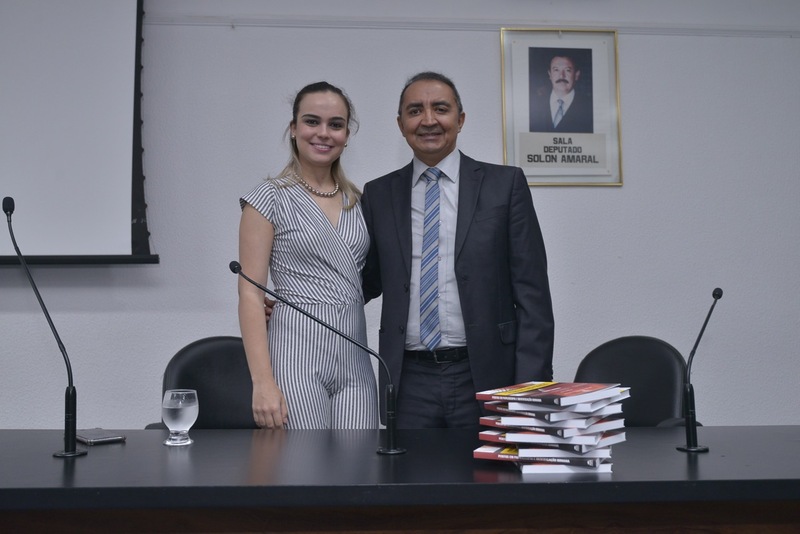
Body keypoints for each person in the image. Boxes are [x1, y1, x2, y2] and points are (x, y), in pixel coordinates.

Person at [361, 71, 554, 429]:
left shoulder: (505, 185)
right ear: (401, 124)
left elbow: (533, 295)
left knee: (489, 467)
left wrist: (530, 387)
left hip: (487, 376)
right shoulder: (378, 194)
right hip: (408, 380)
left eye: (441, 108)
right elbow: (367, 280)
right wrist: (299, 298)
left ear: (460, 119)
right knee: (409, 467)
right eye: (415, 111)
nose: (428, 120)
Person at [237, 81, 378, 430]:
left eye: (335, 124)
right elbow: (250, 294)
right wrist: (262, 383)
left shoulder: (360, 202)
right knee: (304, 461)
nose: (323, 133)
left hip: (356, 359)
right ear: (293, 128)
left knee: (361, 461)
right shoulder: (268, 198)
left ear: (347, 135)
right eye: (312, 121)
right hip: (296, 357)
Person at [529, 53, 593, 133]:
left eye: (567, 70)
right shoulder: (534, 104)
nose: (561, 76)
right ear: (550, 74)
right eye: (556, 70)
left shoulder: (589, 108)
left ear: (576, 75)